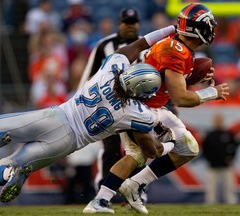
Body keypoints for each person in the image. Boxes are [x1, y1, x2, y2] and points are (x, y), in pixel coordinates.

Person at [0, 25, 177, 204]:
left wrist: (172, 29)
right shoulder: (138, 113)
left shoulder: (111, 70)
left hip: (56, 118)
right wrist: (170, 144)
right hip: (68, 142)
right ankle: (11, 173)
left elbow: (140, 44)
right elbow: (152, 151)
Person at [83, 3, 229, 214]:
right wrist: (212, 93)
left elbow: (169, 81)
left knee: (184, 149)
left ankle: (131, 186)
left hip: (152, 107)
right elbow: (180, 98)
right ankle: (101, 200)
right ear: (196, 28)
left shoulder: (180, 47)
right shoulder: (175, 50)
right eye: (208, 25)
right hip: (139, 108)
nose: (211, 30)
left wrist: (193, 76)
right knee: (140, 154)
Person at [79, 8, 144, 191]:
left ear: (138, 24)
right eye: (126, 23)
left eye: (133, 23)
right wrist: (83, 101)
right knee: (111, 150)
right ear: (119, 24)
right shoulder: (104, 45)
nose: (130, 27)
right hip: (109, 105)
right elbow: (89, 75)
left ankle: (137, 190)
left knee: (140, 148)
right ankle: (104, 190)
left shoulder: (150, 44)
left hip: (138, 106)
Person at [202, 112, 239, 204]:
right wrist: (208, 159)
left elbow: (234, 147)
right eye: (216, 120)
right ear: (214, 121)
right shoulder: (210, 135)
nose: (218, 122)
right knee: (211, 187)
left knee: (229, 186)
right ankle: (210, 202)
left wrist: (231, 158)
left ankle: (231, 202)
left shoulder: (228, 134)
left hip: (226, 165)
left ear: (222, 121)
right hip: (213, 166)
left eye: (219, 120)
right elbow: (205, 149)